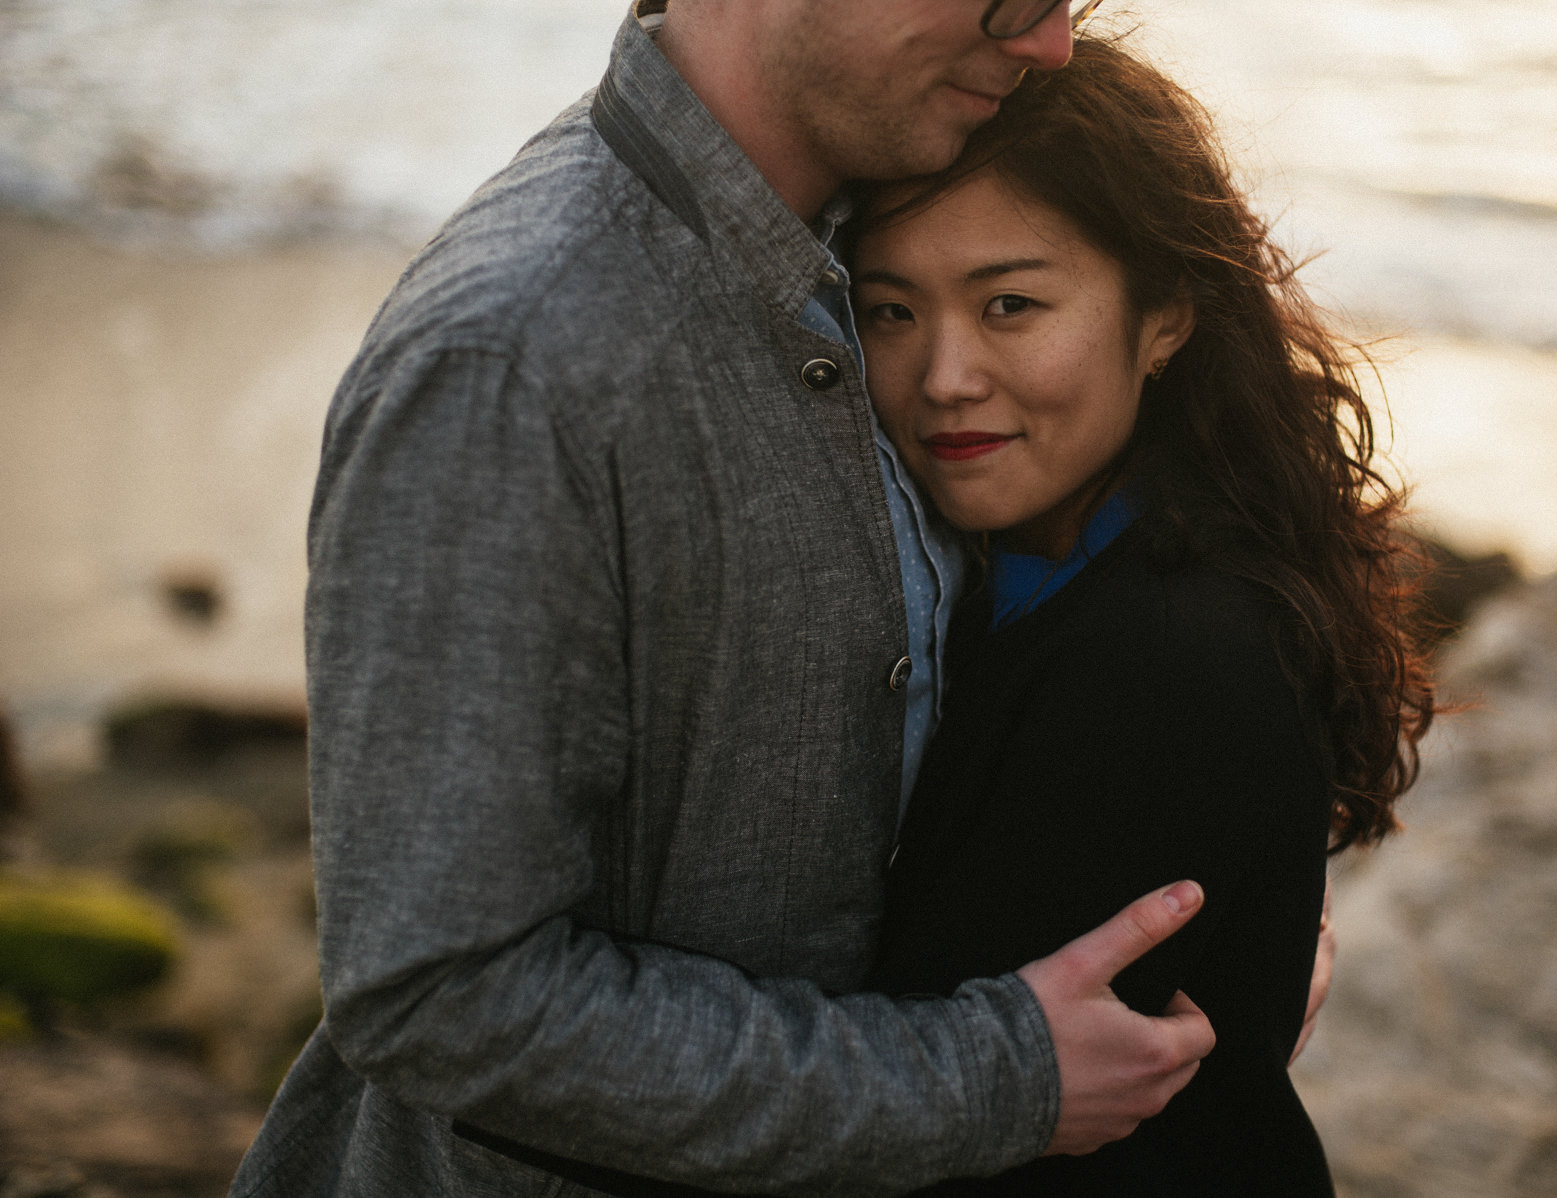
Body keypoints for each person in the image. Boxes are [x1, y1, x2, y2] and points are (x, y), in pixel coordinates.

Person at [227, 3, 1291, 1196]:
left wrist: (1238, 902)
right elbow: (439, 995)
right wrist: (985, 1080)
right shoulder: (514, 365)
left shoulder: (877, 212)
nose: (1046, 41)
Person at [849, 37, 1435, 1194]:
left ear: (1166, 315)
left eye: (1012, 303)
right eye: (889, 311)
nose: (944, 375)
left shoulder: (1167, 659)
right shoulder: (1061, 554)